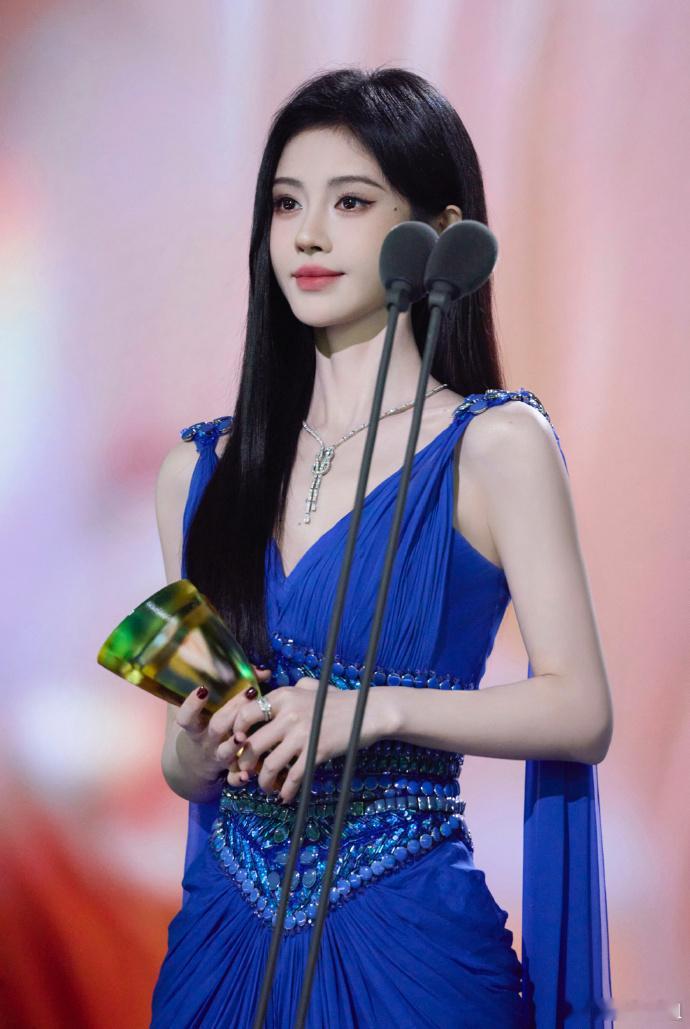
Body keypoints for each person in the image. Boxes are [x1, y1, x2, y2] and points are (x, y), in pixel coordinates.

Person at [150, 67, 613, 1028]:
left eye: (351, 202)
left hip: (410, 943)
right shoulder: (198, 472)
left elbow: (581, 710)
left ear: (438, 232)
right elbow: (184, 769)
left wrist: (374, 708)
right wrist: (196, 746)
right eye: (287, 203)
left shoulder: (497, 446)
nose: (308, 235)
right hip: (219, 947)